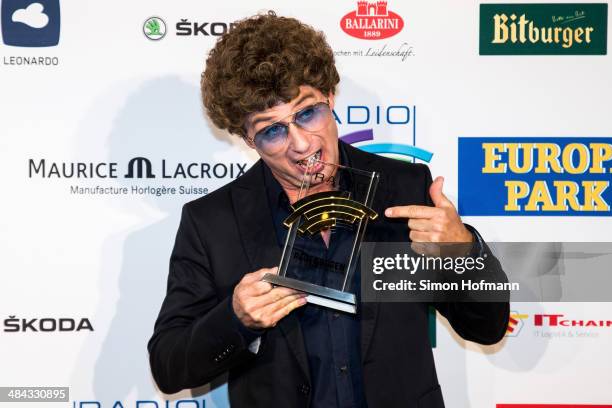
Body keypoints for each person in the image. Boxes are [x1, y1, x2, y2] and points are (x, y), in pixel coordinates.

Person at [147, 11, 509, 408]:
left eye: (307, 113)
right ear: (249, 140)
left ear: (330, 97)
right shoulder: (212, 222)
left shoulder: (403, 188)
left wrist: (464, 253)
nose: (301, 144)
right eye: (272, 130)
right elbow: (169, 367)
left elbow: (488, 328)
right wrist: (236, 318)